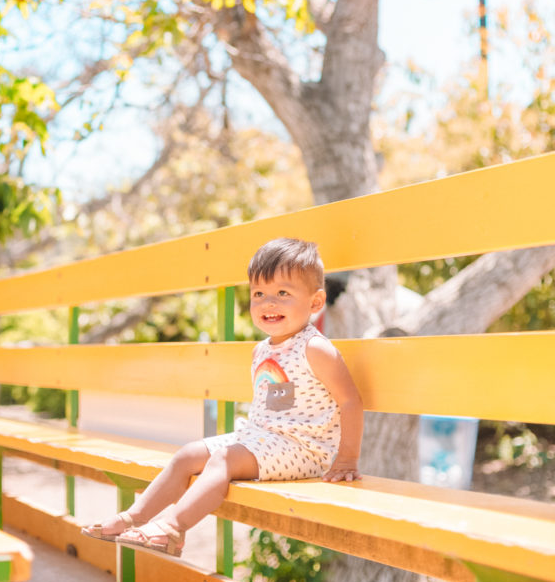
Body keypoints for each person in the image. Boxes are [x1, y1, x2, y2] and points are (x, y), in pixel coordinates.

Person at [82, 237, 364, 556]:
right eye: (259, 294)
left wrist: (346, 459)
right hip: (264, 440)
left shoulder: (315, 348)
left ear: (315, 303)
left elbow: (350, 401)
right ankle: (134, 517)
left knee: (223, 459)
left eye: (283, 293)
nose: (268, 303)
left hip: (305, 449)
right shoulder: (262, 350)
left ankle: (173, 529)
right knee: (188, 454)